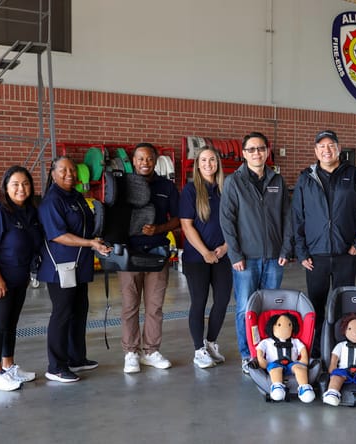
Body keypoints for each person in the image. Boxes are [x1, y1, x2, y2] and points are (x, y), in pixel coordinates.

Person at [292, 129, 356, 359]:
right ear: (316, 151)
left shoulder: (354, 175)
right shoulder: (306, 178)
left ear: (338, 149)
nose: (327, 150)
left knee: (343, 302)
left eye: (331, 145)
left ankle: (341, 348)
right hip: (315, 255)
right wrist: (301, 250)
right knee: (316, 304)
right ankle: (316, 350)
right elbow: (297, 216)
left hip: (346, 252)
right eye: (322, 146)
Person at [219, 131, 293, 374]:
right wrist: (235, 255)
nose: (256, 153)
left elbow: (287, 217)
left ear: (267, 151)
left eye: (260, 148)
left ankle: (268, 351)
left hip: (274, 257)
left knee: (271, 308)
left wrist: (285, 248)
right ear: (244, 154)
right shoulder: (234, 182)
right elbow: (227, 220)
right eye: (251, 149)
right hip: (246, 259)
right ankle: (248, 354)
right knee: (245, 308)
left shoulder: (277, 180)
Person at [37, 156, 111, 383]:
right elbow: (58, 235)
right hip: (62, 268)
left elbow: (85, 227)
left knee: (79, 311)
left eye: (73, 170)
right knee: (62, 314)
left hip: (79, 266)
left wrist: (96, 239)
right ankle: (56, 366)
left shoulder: (76, 197)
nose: (69, 174)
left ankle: (76, 358)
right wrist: (90, 243)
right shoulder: (52, 201)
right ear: (53, 173)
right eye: (63, 170)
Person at [0, 165, 42, 391]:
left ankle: (9, 366)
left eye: (25, 184)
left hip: (18, 277)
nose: (21, 188)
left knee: (11, 324)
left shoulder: (30, 211)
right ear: (5, 188)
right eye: (15, 184)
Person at [119, 143, 180, 373]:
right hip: (129, 254)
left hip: (157, 253)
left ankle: (151, 351)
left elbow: (178, 218)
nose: (145, 163)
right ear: (133, 161)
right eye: (141, 159)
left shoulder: (167, 187)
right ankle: (131, 353)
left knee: (155, 307)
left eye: (150, 159)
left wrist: (160, 229)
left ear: (156, 161)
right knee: (130, 306)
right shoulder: (123, 186)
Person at [179, 148, 232, 369]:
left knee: (222, 301)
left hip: (223, 255)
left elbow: (235, 222)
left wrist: (226, 247)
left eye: (212, 159)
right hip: (196, 258)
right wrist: (205, 252)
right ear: (198, 165)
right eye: (203, 160)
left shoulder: (226, 189)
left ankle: (210, 342)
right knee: (199, 302)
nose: (208, 163)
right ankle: (198, 350)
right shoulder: (191, 190)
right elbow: (186, 225)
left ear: (217, 163)